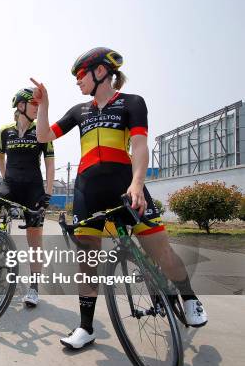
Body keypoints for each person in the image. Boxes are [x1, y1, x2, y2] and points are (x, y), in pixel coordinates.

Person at [31, 47, 208, 349]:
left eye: (80, 75)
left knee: (160, 252)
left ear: (100, 72)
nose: (77, 81)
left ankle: (189, 297)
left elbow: (139, 146)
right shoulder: (79, 111)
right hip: (88, 190)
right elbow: (43, 136)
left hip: (125, 184)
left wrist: (137, 184)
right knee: (87, 260)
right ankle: (85, 328)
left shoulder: (132, 103)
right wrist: (44, 104)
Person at [0, 88, 55, 307]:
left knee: (34, 241)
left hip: (33, 188)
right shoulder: (5, 131)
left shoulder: (42, 130)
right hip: (10, 186)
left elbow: (49, 162)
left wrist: (48, 193)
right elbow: (0, 157)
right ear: (21, 106)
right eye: (34, 104)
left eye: (39, 104)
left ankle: (34, 288)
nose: (38, 108)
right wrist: (4, 177)